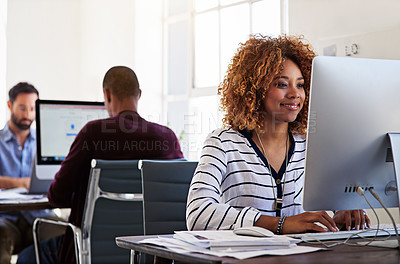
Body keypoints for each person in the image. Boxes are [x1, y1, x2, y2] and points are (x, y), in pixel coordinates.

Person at [186, 35, 370, 235]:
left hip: (302, 256)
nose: (295, 94)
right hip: (244, 256)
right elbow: (198, 213)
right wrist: (280, 224)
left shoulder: (311, 146)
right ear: (255, 90)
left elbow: (338, 202)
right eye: (282, 84)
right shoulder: (222, 142)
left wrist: (345, 212)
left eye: (300, 85)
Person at [17, 66, 184, 264]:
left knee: (27, 257)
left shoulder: (93, 134)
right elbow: (176, 196)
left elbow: (57, 196)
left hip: (89, 251)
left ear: (106, 94)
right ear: (139, 95)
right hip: (147, 252)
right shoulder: (167, 138)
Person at [0, 83, 63, 264]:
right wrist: (21, 183)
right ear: (10, 105)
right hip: (6, 218)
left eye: (32, 108)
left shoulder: (46, 143)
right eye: (22, 108)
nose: (28, 114)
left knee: (61, 233)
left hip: (40, 214)